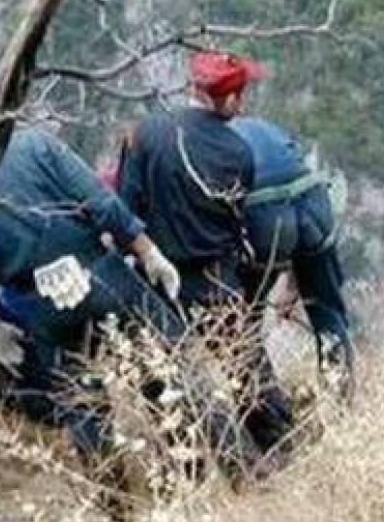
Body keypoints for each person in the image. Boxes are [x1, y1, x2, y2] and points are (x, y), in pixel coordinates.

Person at [0, 76, 185, 459]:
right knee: (162, 368)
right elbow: (101, 203)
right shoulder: (35, 143)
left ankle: (113, 503)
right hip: (100, 273)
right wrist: (147, 250)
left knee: (82, 403)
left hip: (40, 304)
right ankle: (195, 471)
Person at [118, 51, 297, 454]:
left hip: (158, 279)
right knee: (245, 368)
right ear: (229, 99)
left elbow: (124, 210)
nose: (244, 103)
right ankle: (281, 453)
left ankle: (190, 462)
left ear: (194, 88)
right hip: (218, 279)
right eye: (241, 94)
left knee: (160, 377)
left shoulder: (143, 134)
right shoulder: (238, 153)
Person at [228, 115, 353, 397]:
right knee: (328, 312)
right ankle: (340, 401)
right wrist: (295, 284)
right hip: (314, 203)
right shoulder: (270, 128)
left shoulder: (217, 141)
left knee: (245, 321)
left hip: (265, 218)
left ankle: (268, 410)